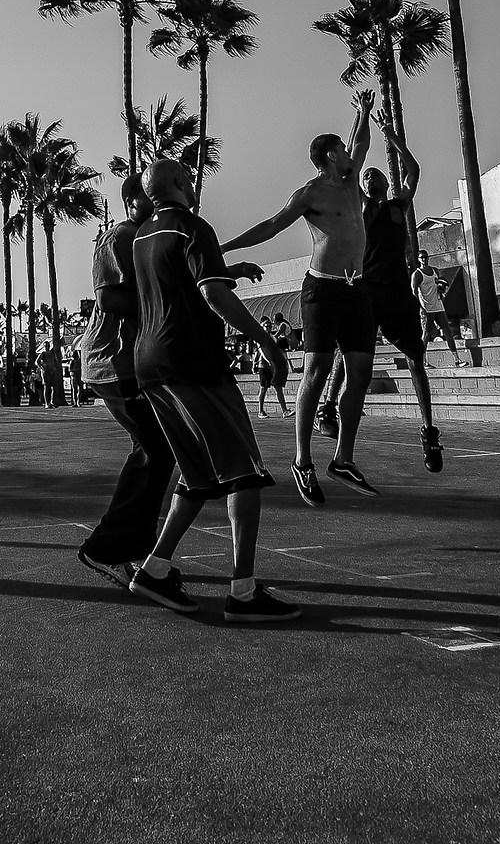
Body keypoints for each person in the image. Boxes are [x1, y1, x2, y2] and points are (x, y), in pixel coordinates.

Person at [124, 160, 297, 623]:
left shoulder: (141, 235)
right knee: (243, 471)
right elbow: (211, 294)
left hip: (151, 364)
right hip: (192, 362)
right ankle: (243, 591)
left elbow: (179, 281)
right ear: (180, 183)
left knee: (198, 477)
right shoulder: (192, 226)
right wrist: (267, 343)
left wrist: (226, 268)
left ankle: (155, 568)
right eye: (189, 177)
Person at [221, 90, 378, 505]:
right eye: (342, 150)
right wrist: (225, 249)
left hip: (356, 286)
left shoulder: (348, 181)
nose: (350, 154)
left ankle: (343, 457)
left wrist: (362, 113)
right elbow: (272, 226)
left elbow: (361, 142)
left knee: (360, 372)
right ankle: (303, 460)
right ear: (328, 156)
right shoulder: (310, 194)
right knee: (317, 370)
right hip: (322, 288)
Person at [75, 175, 174, 589]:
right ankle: (107, 547)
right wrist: (161, 304)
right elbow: (109, 298)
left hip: (134, 362)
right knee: (156, 447)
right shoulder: (121, 236)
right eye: (148, 196)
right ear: (132, 200)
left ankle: (132, 548)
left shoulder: (152, 237)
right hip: (112, 361)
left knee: (159, 449)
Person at [359, 121, 445, 474]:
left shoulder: (398, 206)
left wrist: (390, 136)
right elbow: (351, 170)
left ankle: (428, 431)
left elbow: (414, 170)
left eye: (375, 174)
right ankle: (329, 407)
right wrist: (361, 121)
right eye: (367, 177)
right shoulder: (362, 208)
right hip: (369, 290)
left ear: (384, 183)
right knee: (350, 356)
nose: (371, 178)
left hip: (397, 292)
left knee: (415, 361)